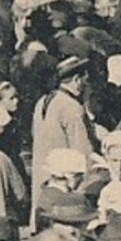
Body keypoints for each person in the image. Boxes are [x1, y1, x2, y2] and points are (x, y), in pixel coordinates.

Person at [29, 55, 98, 227]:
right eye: (85, 80)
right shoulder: (72, 107)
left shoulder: (42, 102)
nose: (86, 85)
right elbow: (83, 151)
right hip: (66, 183)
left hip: (44, 180)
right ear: (76, 79)